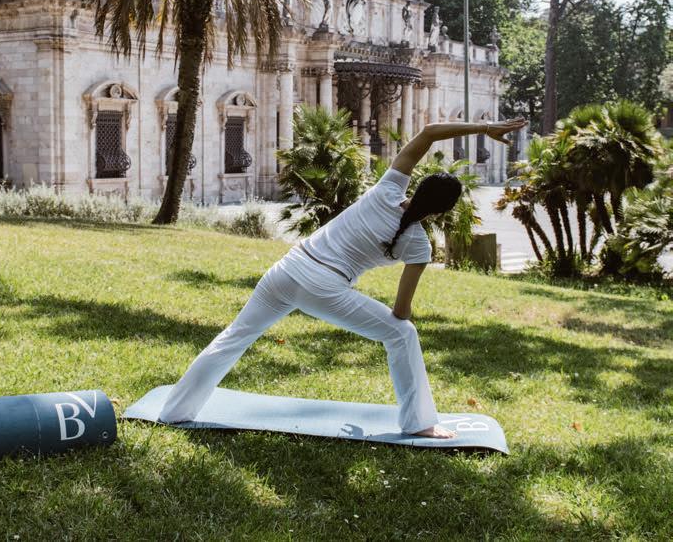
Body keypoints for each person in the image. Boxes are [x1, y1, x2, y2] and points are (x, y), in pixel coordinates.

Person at [159, 117, 528, 438]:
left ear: (418, 187)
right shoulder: (418, 244)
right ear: (444, 210)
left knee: (234, 338)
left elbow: (429, 133)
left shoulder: (386, 189)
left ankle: (175, 411)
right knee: (403, 334)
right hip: (324, 287)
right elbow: (400, 313)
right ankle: (418, 423)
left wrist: (485, 128)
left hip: (286, 268)